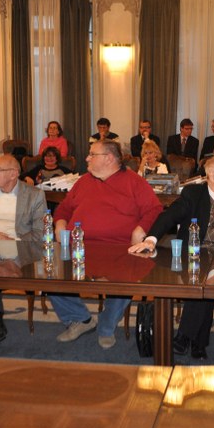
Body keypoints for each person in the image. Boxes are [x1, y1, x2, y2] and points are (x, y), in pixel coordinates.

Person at [129, 155, 214, 359]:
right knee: (207, 283)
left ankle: (184, 337)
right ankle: (198, 344)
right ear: (212, 175)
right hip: (196, 257)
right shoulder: (193, 194)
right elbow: (169, 216)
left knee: (207, 283)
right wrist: (151, 239)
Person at [49, 140, 162, 349]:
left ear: (109, 158)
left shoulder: (134, 182)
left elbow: (154, 210)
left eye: (92, 154)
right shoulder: (84, 181)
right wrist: (60, 224)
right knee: (49, 274)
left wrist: (140, 230)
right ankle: (80, 319)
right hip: (78, 246)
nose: (87, 158)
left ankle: (107, 326)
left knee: (124, 280)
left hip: (118, 249)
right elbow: (64, 208)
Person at [0, 154, 46, 354]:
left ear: (13, 174)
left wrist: (13, 241)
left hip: (21, 248)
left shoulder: (34, 195)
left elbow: (40, 232)